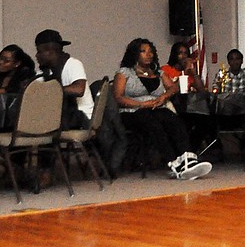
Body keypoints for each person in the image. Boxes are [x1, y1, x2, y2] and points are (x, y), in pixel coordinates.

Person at [112, 38, 212, 180]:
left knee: (173, 119)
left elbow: (173, 87)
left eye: (151, 52)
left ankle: (188, 159)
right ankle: (173, 163)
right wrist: (142, 104)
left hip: (156, 109)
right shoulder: (124, 72)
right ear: (134, 54)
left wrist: (163, 97)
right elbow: (118, 97)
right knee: (153, 123)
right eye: (143, 51)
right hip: (132, 112)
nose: (149, 54)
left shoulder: (158, 72)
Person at [34, 29, 93, 124]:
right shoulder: (44, 71)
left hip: (82, 118)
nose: (36, 55)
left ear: (50, 51)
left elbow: (79, 89)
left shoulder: (73, 64)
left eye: (39, 51)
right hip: (58, 117)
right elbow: (36, 92)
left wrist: (50, 90)